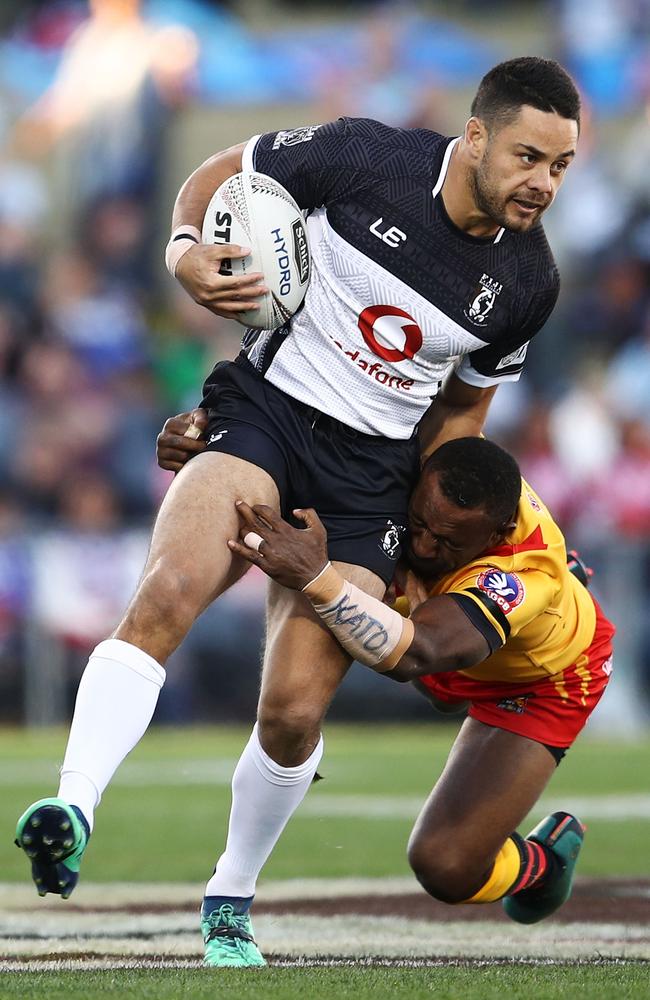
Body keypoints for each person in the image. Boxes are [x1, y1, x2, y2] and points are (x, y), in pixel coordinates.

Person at [15, 57, 581, 968]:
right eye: (528, 157)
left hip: (371, 481)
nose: (542, 183)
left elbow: (464, 412)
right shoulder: (364, 156)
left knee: (291, 713)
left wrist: (424, 540)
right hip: (265, 416)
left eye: (559, 167)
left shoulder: (528, 285)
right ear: (474, 136)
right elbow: (219, 177)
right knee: (167, 591)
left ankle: (229, 899)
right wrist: (185, 250)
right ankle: (72, 807)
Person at [228, 436, 615, 921]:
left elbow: (417, 654)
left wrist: (317, 576)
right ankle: (533, 601)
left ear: (499, 533)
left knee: (444, 866)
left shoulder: (520, 572)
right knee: (437, 678)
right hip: (457, 634)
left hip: (544, 679)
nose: (425, 545)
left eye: (449, 541)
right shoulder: (437, 463)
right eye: (419, 524)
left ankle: (544, 864)